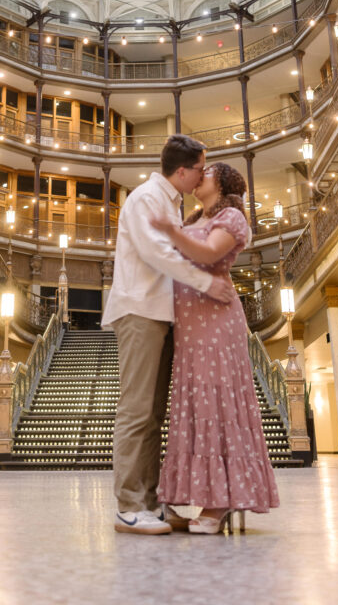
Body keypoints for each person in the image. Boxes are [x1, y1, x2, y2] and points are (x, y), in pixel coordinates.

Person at [102, 135, 235, 535]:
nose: (201, 177)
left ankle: (151, 502)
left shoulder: (173, 203)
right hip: (140, 309)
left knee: (155, 414)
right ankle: (129, 505)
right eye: (199, 168)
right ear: (182, 170)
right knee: (137, 410)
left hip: (162, 314)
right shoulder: (146, 198)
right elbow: (157, 253)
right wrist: (205, 284)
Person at [152, 162, 280, 533]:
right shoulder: (191, 216)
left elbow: (209, 254)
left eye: (205, 172)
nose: (198, 176)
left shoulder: (233, 217)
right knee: (193, 407)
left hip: (216, 324)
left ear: (221, 181)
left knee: (218, 404)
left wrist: (167, 231)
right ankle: (188, 497)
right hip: (188, 329)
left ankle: (220, 501)